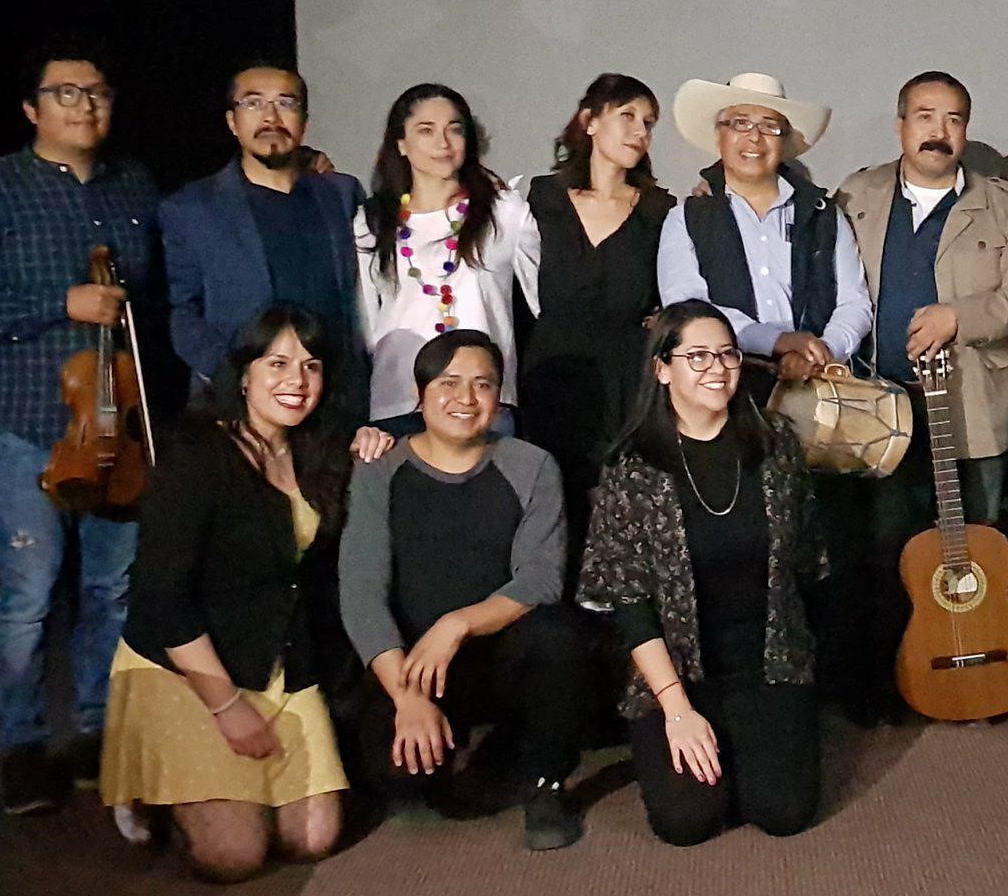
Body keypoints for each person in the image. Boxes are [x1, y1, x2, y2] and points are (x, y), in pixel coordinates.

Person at [100, 306, 391, 881]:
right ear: (244, 375)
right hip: (191, 667)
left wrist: (372, 439)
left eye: (311, 367)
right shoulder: (198, 455)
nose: (296, 382)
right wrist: (226, 707)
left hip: (278, 660)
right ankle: (152, 787)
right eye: (277, 363)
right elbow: (161, 599)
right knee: (234, 857)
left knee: (313, 839)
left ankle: (223, 788)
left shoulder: (318, 450)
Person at [0, 37, 160, 812]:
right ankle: (22, 740)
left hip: (119, 427)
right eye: (67, 93)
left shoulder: (132, 184)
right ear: (32, 109)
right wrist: (58, 306)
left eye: (98, 92)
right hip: (25, 423)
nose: (85, 105)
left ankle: (99, 734)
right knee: (30, 592)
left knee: (111, 589)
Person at [829, 71, 1008, 724]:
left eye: (953, 118)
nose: (938, 131)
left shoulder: (1002, 202)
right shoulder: (856, 196)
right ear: (901, 126)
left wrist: (959, 316)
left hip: (971, 408)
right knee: (885, 549)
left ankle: (975, 668)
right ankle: (896, 684)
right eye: (925, 116)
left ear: (966, 130)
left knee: (977, 548)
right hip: (878, 411)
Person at [578, 301, 823, 845]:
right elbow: (629, 601)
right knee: (686, 822)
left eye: (728, 355)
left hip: (768, 665)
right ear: (663, 369)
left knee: (784, 814)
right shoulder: (632, 467)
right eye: (698, 356)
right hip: (677, 674)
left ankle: (749, 746)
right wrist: (676, 711)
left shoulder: (777, 445)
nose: (717, 368)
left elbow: (806, 564)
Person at [338, 330, 589, 851]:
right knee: (402, 779)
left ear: (500, 397)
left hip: (500, 651)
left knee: (557, 635)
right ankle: (467, 745)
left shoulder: (532, 464)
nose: (465, 399)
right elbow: (361, 592)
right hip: (412, 666)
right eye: (449, 383)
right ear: (420, 394)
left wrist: (457, 625)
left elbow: (540, 579)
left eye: (483, 385)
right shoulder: (380, 468)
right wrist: (405, 695)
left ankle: (546, 782)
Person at [515, 73, 677, 549]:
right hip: (550, 376)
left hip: (624, 385)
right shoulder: (538, 201)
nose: (640, 132)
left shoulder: (658, 210)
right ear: (590, 121)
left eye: (648, 123)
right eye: (627, 116)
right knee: (553, 515)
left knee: (622, 518)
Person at [161, 63, 365, 416]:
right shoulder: (192, 207)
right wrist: (234, 376)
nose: (271, 117)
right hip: (235, 408)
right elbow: (183, 311)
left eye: (286, 103)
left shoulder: (341, 194)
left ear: (304, 120)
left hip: (334, 405)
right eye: (253, 104)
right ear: (231, 122)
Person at [656, 71, 872, 396]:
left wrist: (823, 351)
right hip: (722, 394)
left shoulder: (824, 216)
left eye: (770, 127)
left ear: (783, 141)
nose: (755, 138)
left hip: (819, 394)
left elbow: (854, 302)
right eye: (741, 123)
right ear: (719, 136)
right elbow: (688, 309)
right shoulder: (685, 219)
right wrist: (777, 342)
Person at [353, 83, 537, 437]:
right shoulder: (373, 221)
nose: (443, 142)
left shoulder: (504, 212)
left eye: (454, 129)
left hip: (482, 404)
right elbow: (366, 318)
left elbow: (542, 298)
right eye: (426, 130)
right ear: (401, 144)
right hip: (399, 401)